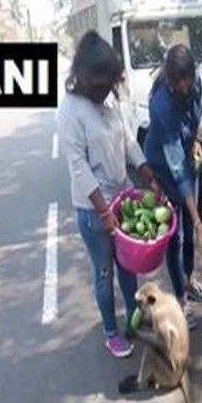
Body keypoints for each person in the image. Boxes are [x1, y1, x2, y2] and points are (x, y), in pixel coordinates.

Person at [57, 31, 158, 358]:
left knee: (130, 267)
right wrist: (104, 212)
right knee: (105, 272)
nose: (106, 90)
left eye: (109, 83)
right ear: (84, 79)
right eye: (100, 84)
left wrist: (146, 173)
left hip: (123, 197)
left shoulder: (111, 99)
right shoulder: (70, 110)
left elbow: (128, 139)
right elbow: (78, 166)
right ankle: (111, 332)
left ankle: (134, 319)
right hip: (93, 210)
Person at [143, 44, 202, 331]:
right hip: (165, 167)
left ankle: (188, 278)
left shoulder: (194, 84)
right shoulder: (161, 105)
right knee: (178, 235)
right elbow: (177, 171)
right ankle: (182, 298)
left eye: (188, 80)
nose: (185, 86)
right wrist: (199, 221)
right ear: (170, 80)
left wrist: (197, 140)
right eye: (179, 83)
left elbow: (196, 116)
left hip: (185, 156)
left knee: (189, 224)